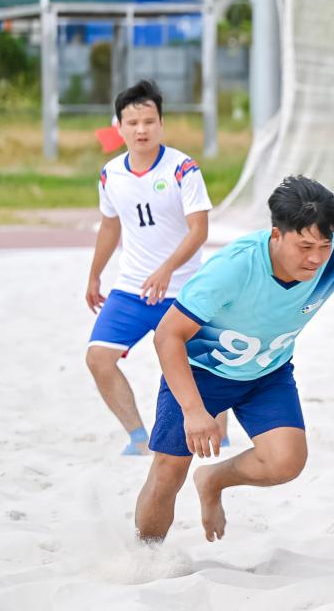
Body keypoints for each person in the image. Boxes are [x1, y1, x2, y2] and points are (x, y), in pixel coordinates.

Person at [134, 175, 334, 542]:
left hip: (267, 373)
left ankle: (213, 480)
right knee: (168, 472)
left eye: (324, 245)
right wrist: (193, 410)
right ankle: (146, 558)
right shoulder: (234, 267)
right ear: (276, 235)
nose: (315, 258)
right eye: (304, 246)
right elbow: (167, 336)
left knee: (286, 462)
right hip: (200, 373)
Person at [84, 79, 229, 455]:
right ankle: (137, 438)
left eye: (149, 121)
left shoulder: (183, 168)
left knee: (208, 364)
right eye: (132, 123)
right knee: (98, 358)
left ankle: (220, 433)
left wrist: (167, 269)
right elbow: (110, 226)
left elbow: (199, 230)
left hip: (184, 290)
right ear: (119, 127)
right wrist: (94, 274)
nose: (141, 130)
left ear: (161, 123)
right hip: (132, 289)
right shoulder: (110, 174)